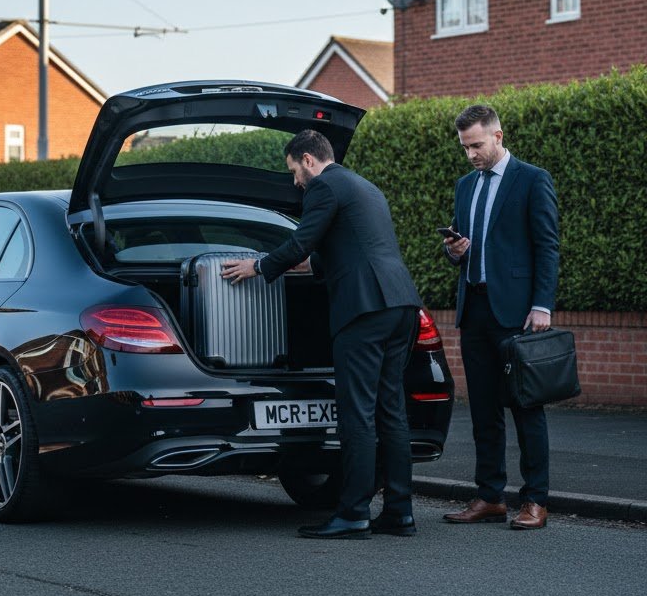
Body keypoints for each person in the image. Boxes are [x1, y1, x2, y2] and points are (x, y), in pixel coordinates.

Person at [221, 129, 421, 540]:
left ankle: (353, 514)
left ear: (309, 160)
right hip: (401, 304)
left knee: (357, 413)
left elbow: (301, 242)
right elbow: (351, 246)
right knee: (391, 412)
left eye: (294, 171)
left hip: (363, 309)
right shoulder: (365, 186)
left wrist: (258, 266)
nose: (295, 181)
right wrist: (309, 265)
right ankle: (400, 512)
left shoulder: (323, 187)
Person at [442, 104, 559, 530]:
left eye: (476, 145)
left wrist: (542, 305)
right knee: (483, 410)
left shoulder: (532, 179)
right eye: (465, 147)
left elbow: (547, 246)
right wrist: (454, 251)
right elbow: (460, 244)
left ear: (498, 136)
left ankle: (535, 500)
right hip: (474, 311)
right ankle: (490, 496)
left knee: (527, 408)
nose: (471, 154)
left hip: (517, 314)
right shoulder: (465, 186)